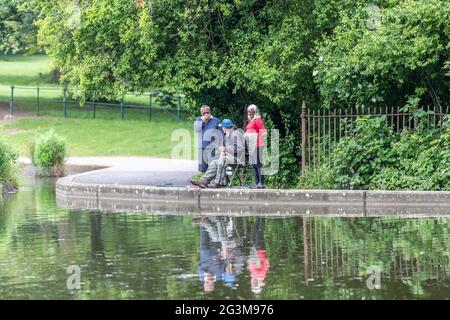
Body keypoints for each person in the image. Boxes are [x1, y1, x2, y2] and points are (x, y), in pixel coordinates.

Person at [190, 119, 245, 188]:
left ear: (224, 128)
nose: (222, 129)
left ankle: (218, 182)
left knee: (222, 159)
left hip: (238, 160)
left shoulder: (235, 134)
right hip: (231, 158)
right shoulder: (228, 135)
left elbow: (239, 149)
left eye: (222, 127)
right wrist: (221, 151)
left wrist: (225, 149)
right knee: (214, 162)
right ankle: (203, 181)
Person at [245, 104, 267, 189]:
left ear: (255, 111)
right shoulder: (251, 121)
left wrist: (261, 141)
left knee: (258, 164)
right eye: (249, 111)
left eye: (251, 111)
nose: (249, 113)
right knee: (254, 164)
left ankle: (261, 183)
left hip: (258, 144)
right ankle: (257, 183)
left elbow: (264, 132)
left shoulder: (257, 120)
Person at [194, 105, 221, 173]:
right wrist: (203, 121)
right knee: (202, 168)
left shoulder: (216, 120)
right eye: (204, 113)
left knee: (213, 166)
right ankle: (204, 181)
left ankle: (212, 182)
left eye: (207, 112)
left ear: (210, 112)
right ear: (201, 114)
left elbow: (221, 133)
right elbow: (197, 130)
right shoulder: (199, 120)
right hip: (202, 146)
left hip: (213, 147)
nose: (206, 114)